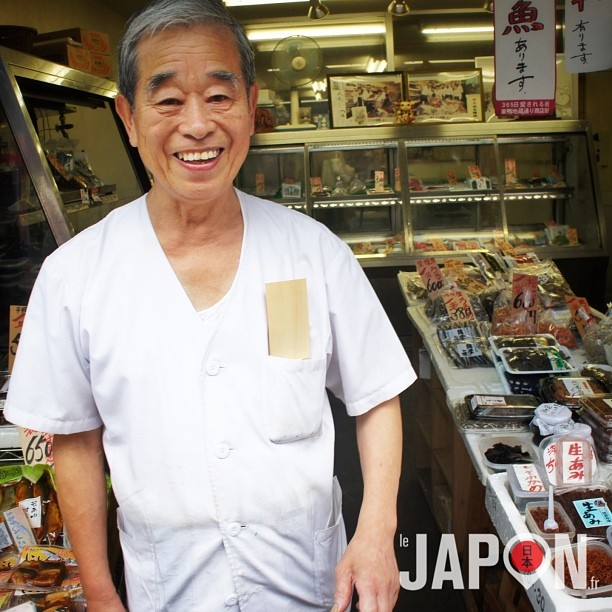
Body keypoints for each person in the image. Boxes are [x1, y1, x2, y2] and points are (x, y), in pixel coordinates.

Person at [5, 0, 415, 610]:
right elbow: (75, 440)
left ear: (251, 106)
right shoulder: (75, 275)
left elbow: (376, 393)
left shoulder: (313, 252)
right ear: (128, 116)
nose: (196, 125)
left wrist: (377, 532)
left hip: (307, 580)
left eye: (219, 97)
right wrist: (99, 589)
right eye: (167, 100)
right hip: (168, 586)